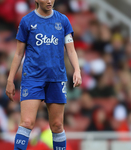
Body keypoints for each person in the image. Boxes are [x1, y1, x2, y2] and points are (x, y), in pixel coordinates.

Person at [5, 0, 82, 150]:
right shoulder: (27, 21)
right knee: (27, 123)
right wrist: (10, 79)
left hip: (56, 78)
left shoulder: (63, 21)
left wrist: (77, 70)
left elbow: (71, 50)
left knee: (57, 125)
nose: (49, 1)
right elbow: (19, 53)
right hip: (32, 78)